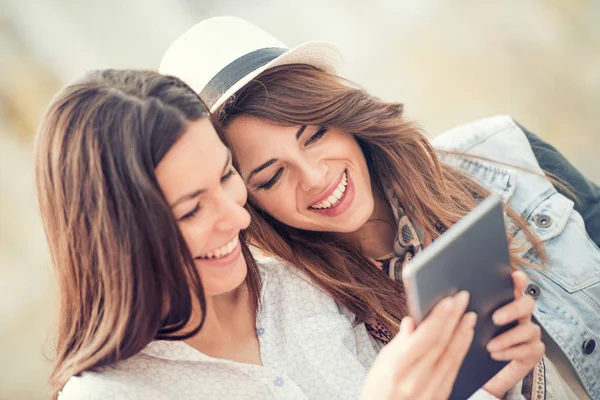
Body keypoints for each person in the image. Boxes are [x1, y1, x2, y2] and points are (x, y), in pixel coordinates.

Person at [159, 17, 600, 399]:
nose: (314, 178)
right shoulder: (315, 322)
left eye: (314, 136)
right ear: (250, 203)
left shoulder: (502, 150)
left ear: (345, 117)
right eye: (272, 177)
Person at [36, 69, 490, 400]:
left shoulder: (304, 283)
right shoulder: (111, 395)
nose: (237, 220)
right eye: (193, 209)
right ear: (119, 240)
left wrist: (493, 382)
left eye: (227, 175)